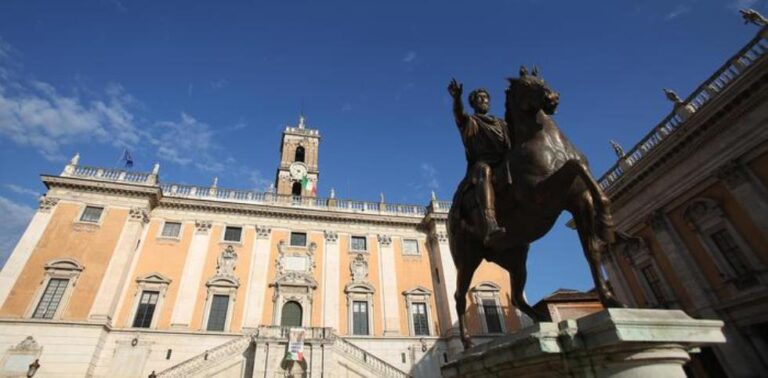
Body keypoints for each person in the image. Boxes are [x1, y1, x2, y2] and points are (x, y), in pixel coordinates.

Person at [448, 78, 510, 246]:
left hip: (504, 161)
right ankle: (490, 222)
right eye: (479, 98)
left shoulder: (501, 123)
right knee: (485, 171)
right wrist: (456, 98)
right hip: (482, 164)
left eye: (486, 98)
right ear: (473, 103)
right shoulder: (470, 122)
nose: (484, 100)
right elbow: (459, 114)